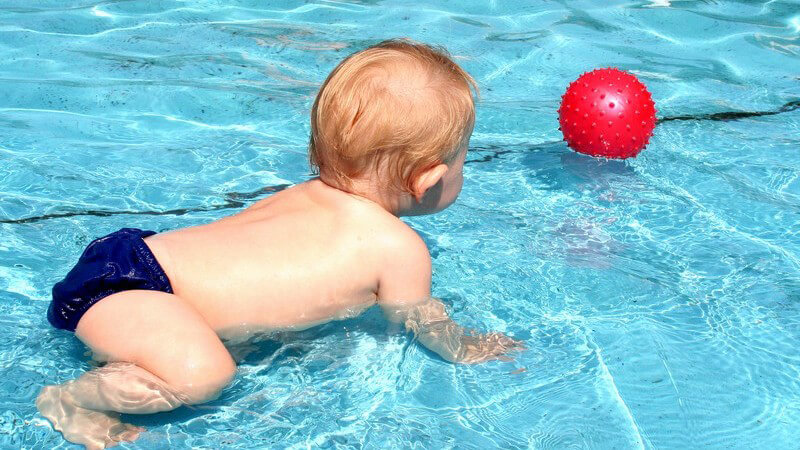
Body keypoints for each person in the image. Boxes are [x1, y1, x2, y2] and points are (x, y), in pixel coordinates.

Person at [37, 38, 524, 449]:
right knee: (203, 377)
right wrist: (468, 347)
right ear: (429, 179)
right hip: (142, 297)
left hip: (131, 258)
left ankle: (128, 354)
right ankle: (72, 397)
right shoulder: (399, 248)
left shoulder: (299, 195)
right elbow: (422, 322)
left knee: (214, 344)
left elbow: (260, 271)